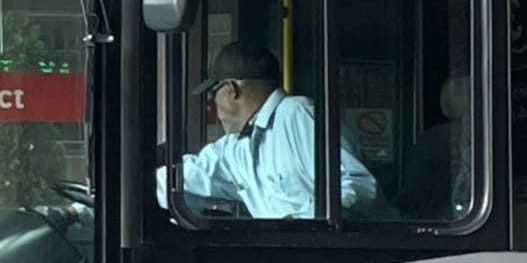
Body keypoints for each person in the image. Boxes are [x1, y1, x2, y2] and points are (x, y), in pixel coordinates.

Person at [157, 42, 378, 219]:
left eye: (213, 94)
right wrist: (137, 182)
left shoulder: (297, 115)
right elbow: (189, 177)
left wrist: (300, 224)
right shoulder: (236, 146)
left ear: (231, 89)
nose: (212, 104)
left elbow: (360, 187)